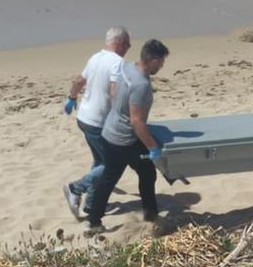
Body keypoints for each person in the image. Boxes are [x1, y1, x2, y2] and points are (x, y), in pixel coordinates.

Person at [86, 39, 171, 234]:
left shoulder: (129, 68)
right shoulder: (141, 85)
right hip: (123, 141)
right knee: (142, 174)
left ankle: (94, 221)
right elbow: (136, 122)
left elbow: (113, 91)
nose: (162, 66)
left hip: (109, 131)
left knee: (114, 176)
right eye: (161, 62)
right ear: (153, 60)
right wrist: (153, 148)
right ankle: (150, 217)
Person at [62, 27, 131, 219]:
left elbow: (79, 81)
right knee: (113, 164)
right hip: (98, 122)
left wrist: (71, 98)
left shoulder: (95, 57)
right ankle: (75, 188)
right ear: (120, 43)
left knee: (100, 161)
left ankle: (92, 205)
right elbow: (114, 92)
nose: (128, 49)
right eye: (128, 45)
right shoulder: (117, 62)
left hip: (84, 118)